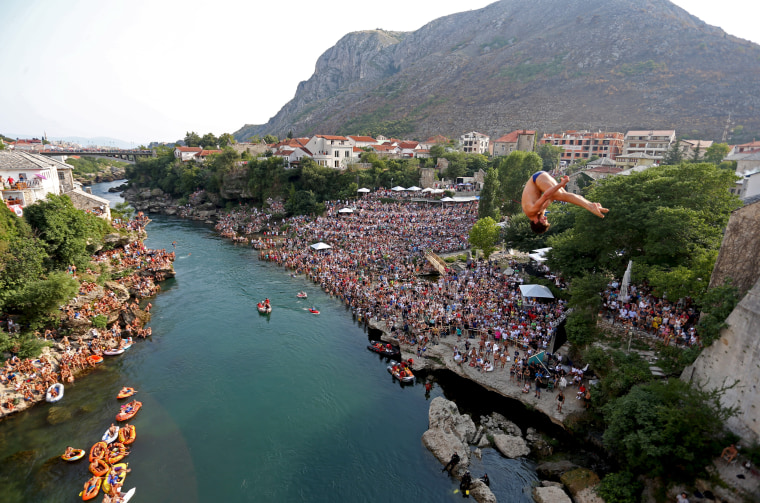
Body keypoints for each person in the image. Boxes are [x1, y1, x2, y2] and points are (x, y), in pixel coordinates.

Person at [522, 172, 608, 233]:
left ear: (536, 221)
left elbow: (545, 196)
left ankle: (590, 206)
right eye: (546, 220)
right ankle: (591, 205)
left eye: (544, 220)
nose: (545, 218)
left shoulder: (531, 210)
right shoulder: (539, 213)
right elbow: (550, 198)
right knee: (562, 196)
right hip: (539, 179)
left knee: (562, 196)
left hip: (537, 179)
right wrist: (558, 188)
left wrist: (560, 184)